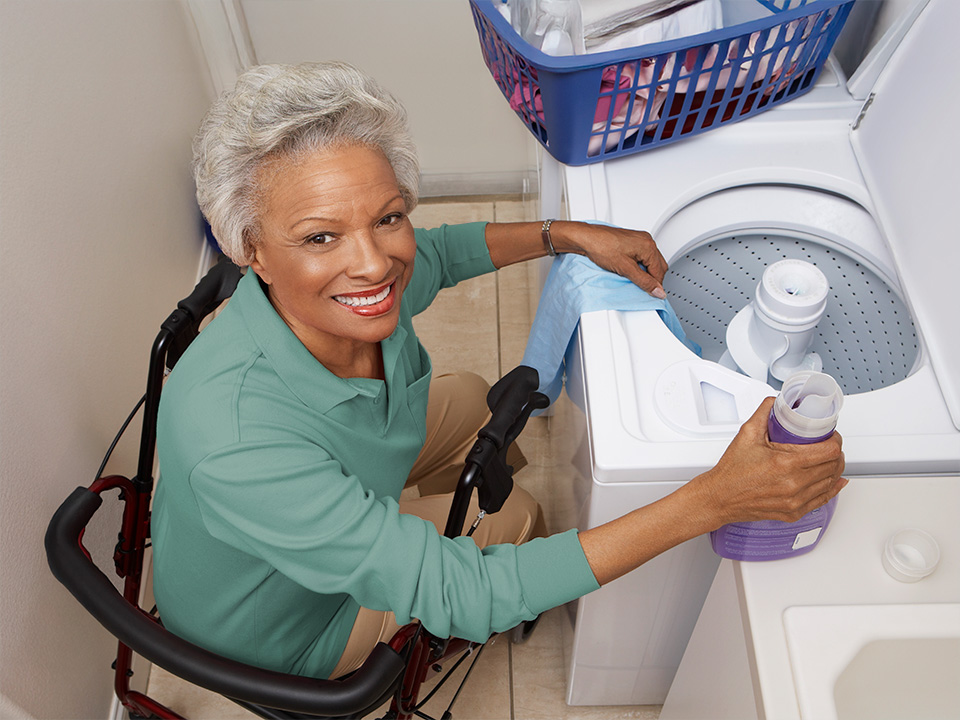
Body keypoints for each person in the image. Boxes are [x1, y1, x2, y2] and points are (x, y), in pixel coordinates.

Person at [151, 61, 845, 681]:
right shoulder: (237, 440)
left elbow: (441, 254)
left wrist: (563, 236)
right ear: (251, 252)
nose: (373, 263)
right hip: (287, 626)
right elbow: (469, 592)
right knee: (516, 517)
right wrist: (713, 499)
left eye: (387, 218)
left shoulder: (343, 293)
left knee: (466, 399)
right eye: (320, 236)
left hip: (329, 486)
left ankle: (393, 532)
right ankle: (405, 569)